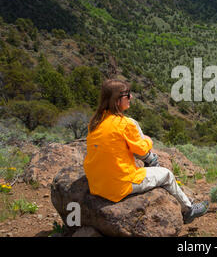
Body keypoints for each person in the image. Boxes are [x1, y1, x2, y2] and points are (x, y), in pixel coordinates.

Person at [83, 79, 208, 224]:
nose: (131, 98)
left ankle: (152, 165)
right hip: (118, 185)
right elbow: (141, 150)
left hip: (97, 184)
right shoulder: (124, 124)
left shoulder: (95, 122)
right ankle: (188, 210)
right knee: (166, 174)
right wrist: (148, 140)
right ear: (117, 100)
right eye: (127, 95)